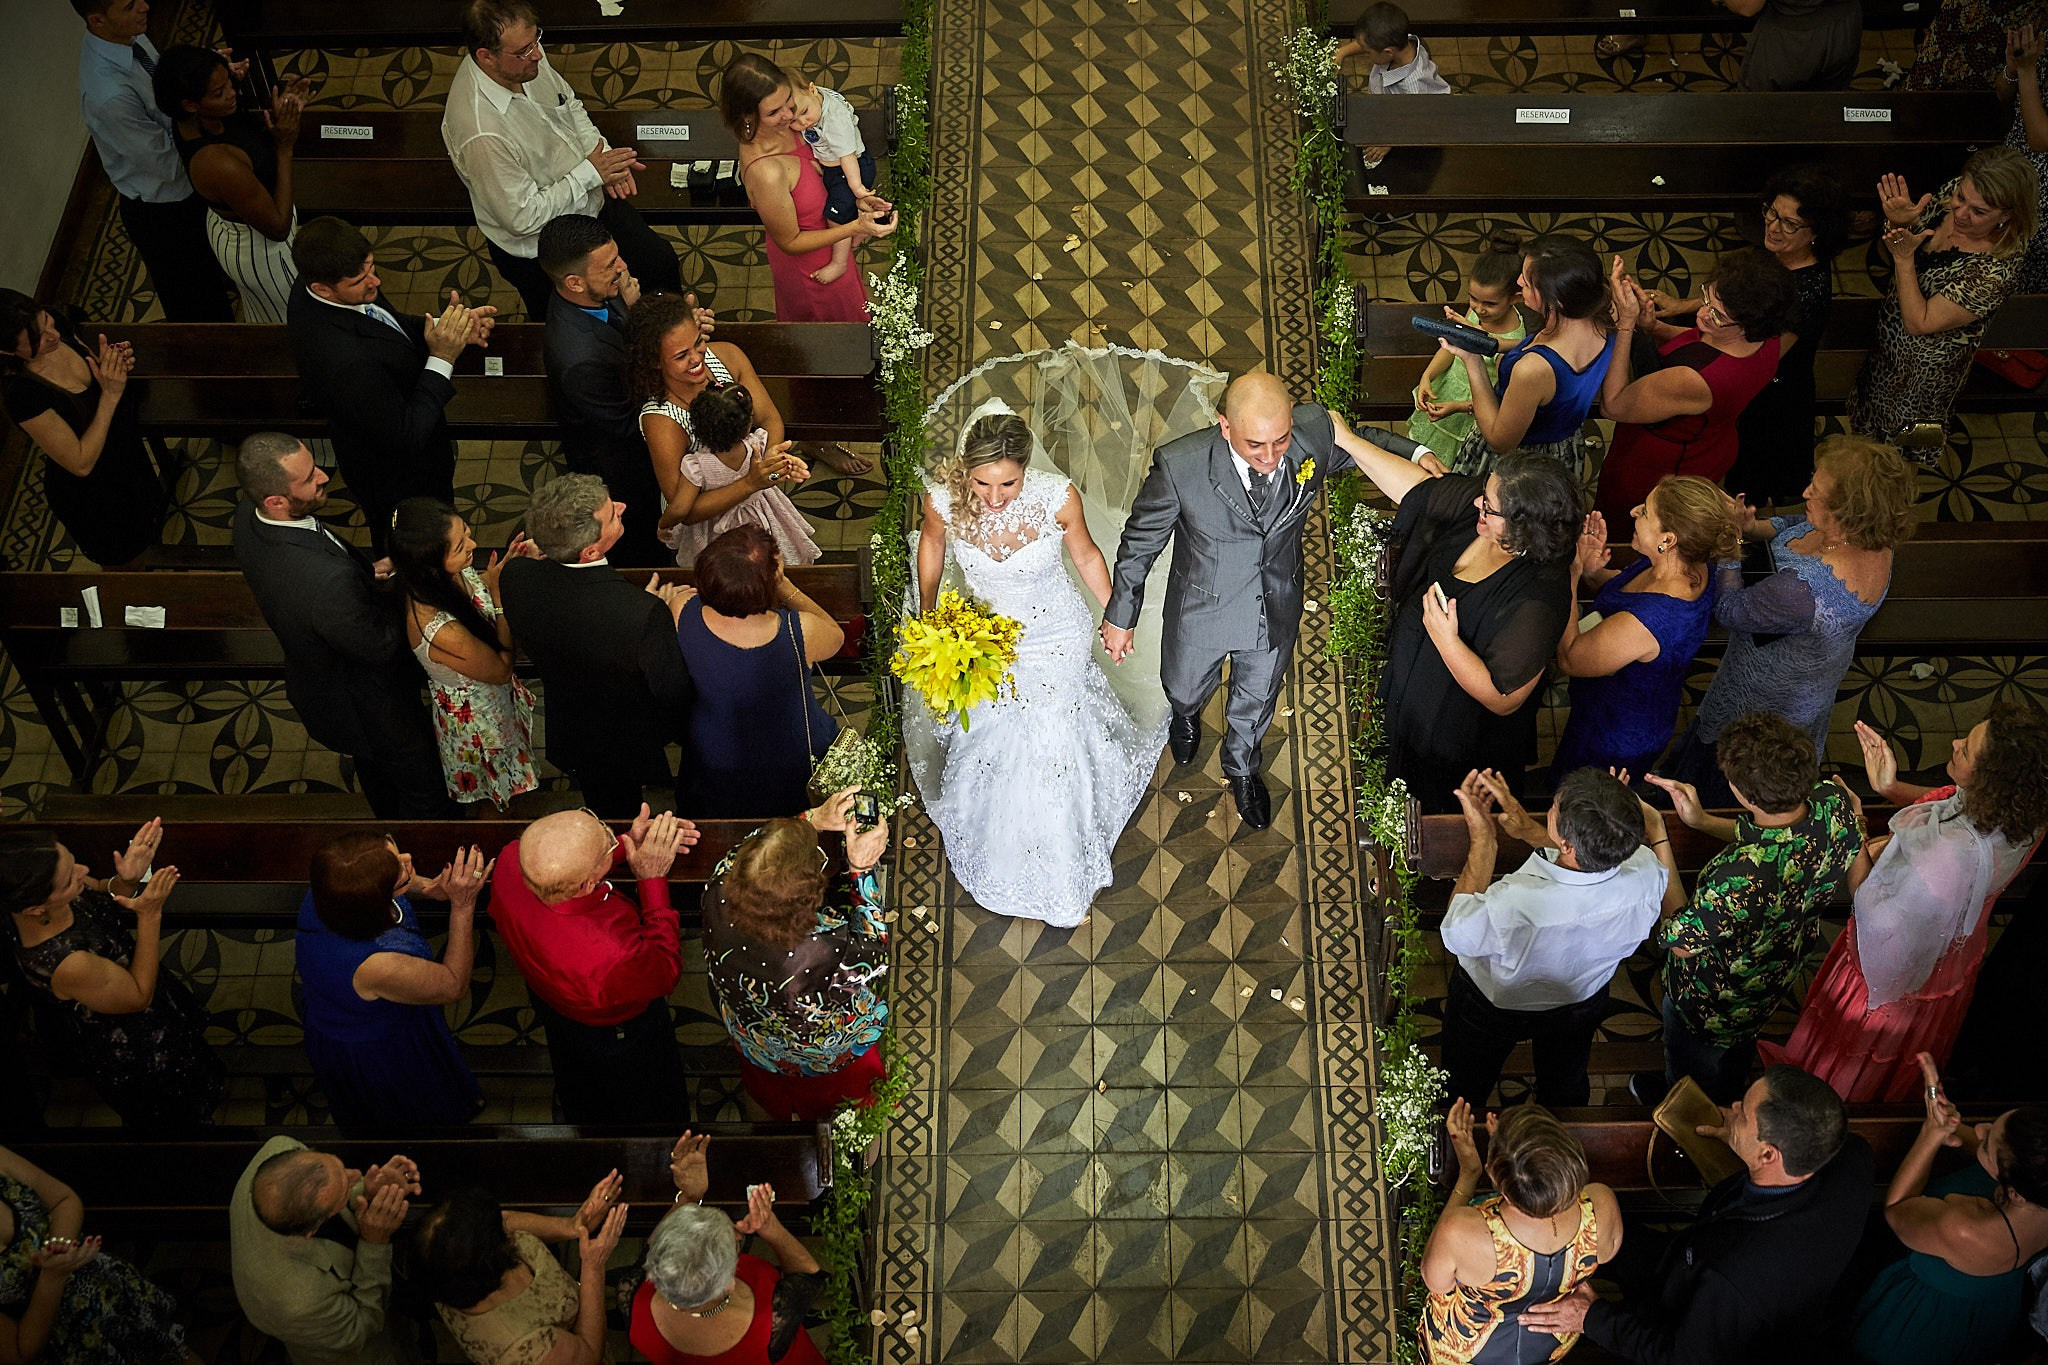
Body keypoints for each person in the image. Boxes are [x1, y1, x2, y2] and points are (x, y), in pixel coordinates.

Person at [905, 410, 1164, 916]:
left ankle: (1061, 857)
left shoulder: (1056, 497)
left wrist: (1117, 617)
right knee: (995, 730)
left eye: (1009, 482)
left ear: (1026, 469)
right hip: (986, 636)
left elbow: (1087, 556)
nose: (996, 496)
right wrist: (929, 608)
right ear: (966, 471)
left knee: (1050, 734)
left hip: (1056, 633)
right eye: (982, 483)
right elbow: (933, 545)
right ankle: (1002, 829)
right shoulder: (942, 503)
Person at [1102, 373, 1351, 829]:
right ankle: (1186, 715)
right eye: (1256, 445)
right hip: (1203, 607)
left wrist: (1418, 454)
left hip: (1275, 606)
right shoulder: (1181, 466)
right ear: (1224, 425)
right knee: (1183, 685)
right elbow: (1140, 543)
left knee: (1256, 702)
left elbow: (1360, 443)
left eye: (1281, 441)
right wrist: (1121, 615)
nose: (1272, 458)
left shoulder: (1312, 433)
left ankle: (1242, 768)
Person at [1763, 707, 2048, 1101]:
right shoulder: (2028, 811)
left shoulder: (1945, 857)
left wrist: (1853, 826)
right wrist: (1891, 788)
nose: (1954, 742)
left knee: (1851, 1053)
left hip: (1894, 973)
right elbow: (1956, 803)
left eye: (1966, 751)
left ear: (1992, 782)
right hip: (1947, 965)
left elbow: (1872, 910)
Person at [1521, 1065, 1875, 1361]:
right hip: (1689, 1257)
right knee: (1599, 1225)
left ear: (1768, 1155)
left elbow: (1683, 1357)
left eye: (1742, 1114)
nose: (1732, 1107)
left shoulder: (1738, 1276)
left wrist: (1591, 1318)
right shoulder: (1851, 1157)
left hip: (1687, 1313)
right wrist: (1740, 1139)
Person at [1662, 436, 1916, 808]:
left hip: (1770, 691)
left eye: (1819, 491)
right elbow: (1798, 524)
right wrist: (1757, 528)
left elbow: (1730, 610)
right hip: (1815, 675)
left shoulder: (1800, 592)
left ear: (1847, 513)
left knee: (1734, 772)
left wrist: (1732, 544)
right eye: (1814, 478)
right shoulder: (1870, 535)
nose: (1806, 490)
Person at [1338, 432, 1581, 812]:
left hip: (1455, 729)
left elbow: (1504, 698)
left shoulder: (1540, 600)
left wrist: (1447, 641)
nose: (1477, 503)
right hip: (1414, 682)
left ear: (1524, 525)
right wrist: (1347, 440)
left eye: (1490, 505)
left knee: (1429, 801)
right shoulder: (1487, 517)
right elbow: (1418, 490)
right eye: (1485, 494)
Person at [232, 432, 456, 818]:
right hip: (365, 702)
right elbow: (381, 644)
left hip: (321, 671)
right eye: (308, 478)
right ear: (276, 501)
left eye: (314, 465)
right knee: (423, 784)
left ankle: (388, 812)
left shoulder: (248, 517)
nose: (323, 476)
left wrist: (365, 574)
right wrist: (413, 589)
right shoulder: (326, 585)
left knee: (377, 770)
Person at [1641, 713, 1862, 1104]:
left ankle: (1688, 1103)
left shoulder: (1738, 877)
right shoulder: (1833, 801)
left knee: (1693, 1064)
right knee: (1739, 1049)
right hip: (1777, 972)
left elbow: (1680, 938)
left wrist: (1660, 837)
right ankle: (1729, 1087)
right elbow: (1779, 836)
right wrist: (1704, 822)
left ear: (1746, 796)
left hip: (1712, 998)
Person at [1438, 769, 1676, 1109]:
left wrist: (1484, 842)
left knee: (1465, 1080)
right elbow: (1585, 864)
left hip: (1496, 1007)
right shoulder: (1646, 870)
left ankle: (1460, 1116)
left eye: (1553, 808)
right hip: (1584, 997)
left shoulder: (1516, 902)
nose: (1550, 809)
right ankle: (1563, 1116)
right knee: (1565, 1079)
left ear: (1565, 843)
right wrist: (1531, 832)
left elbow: (1455, 929)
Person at [441, 0, 682, 319]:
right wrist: (591, 172)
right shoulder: (481, 132)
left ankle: (669, 341)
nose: (538, 55)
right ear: (486, 57)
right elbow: (522, 217)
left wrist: (602, 154)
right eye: (525, 51)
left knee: (658, 264)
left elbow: (567, 104)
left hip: (591, 199)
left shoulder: (524, 60)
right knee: (584, 322)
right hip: (546, 248)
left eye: (536, 40)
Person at [286, 215, 496, 555]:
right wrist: (443, 356)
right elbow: (407, 433)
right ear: (322, 288)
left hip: (401, 438)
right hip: (399, 478)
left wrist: (445, 326)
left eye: (372, 268)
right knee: (422, 550)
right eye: (361, 279)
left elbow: (383, 323)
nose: (375, 282)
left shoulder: (332, 281)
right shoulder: (343, 360)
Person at [496, 473, 696, 816]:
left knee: (610, 808)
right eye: (613, 515)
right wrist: (665, 613)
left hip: (574, 722)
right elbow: (673, 690)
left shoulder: (515, 577)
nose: (622, 507)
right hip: (625, 729)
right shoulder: (642, 614)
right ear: (590, 551)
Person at [1, 823, 222, 1129]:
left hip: (135, 992)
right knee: (176, 1112)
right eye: (69, 878)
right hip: (138, 1042)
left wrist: (126, 880)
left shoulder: (51, 885)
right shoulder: (67, 962)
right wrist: (150, 915)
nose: (82, 871)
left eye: (72, 859)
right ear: (36, 909)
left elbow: (104, 891)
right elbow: (138, 994)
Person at [487, 805, 696, 1124]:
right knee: (639, 1097)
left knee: (574, 1072)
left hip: (550, 1001)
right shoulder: (614, 956)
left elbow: (563, 868)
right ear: (587, 885)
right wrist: (651, 879)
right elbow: (664, 970)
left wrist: (628, 842)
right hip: (614, 1030)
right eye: (607, 844)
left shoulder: (510, 859)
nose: (611, 836)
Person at [538, 213, 717, 566]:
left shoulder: (597, 294)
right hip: (625, 466)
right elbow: (630, 423)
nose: (622, 267)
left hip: (635, 415)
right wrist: (677, 355)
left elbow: (632, 333)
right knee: (648, 546)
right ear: (574, 282)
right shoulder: (579, 362)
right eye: (609, 266)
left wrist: (673, 332)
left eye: (617, 255)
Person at [1848, 1055, 2048, 1365]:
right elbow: (2000, 1152)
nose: (1979, 1129)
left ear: (2014, 1192)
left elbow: (1897, 1209)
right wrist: (1947, 1121)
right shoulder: (2039, 1185)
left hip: (1925, 1319)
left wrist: (1931, 1133)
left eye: (1986, 1142)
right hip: (1995, 1306)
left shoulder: (1965, 1229)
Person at [703, 793, 890, 1120]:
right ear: (809, 896)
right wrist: (862, 869)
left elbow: (748, 852)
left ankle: (769, 1131)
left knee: (764, 1096)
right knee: (858, 1110)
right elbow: (874, 955)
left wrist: (814, 818)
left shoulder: (718, 887)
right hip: (828, 1055)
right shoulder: (828, 949)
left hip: (756, 1040)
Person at [1848, 150, 2037, 455]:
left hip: (1923, 383)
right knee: (1868, 439)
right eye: (1961, 198)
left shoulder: (1993, 271)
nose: (1961, 213)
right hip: (1886, 355)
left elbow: (1918, 322)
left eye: (1978, 211)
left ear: (2007, 215)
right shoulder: (1958, 191)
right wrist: (1900, 223)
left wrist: (1904, 258)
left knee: (1900, 460)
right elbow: (1905, 242)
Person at [295, 834, 487, 1127]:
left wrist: (427, 887)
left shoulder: (335, 887)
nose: (408, 859)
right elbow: (453, 984)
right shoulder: (376, 964)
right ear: (377, 900)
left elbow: (381, 878)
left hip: (364, 1013)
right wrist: (462, 906)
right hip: (380, 1049)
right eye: (399, 867)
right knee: (417, 1110)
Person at [1594, 250, 1794, 524]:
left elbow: (1614, 404)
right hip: (1711, 444)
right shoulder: (1768, 337)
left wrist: (1626, 324)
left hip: (1660, 469)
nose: (1702, 314)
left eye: (1717, 315)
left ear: (1748, 325)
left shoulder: (1695, 380)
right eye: (1707, 299)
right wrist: (1653, 326)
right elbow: (1701, 344)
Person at [1551, 476, 1729, 781]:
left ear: (1668, 539)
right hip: (1637, 703)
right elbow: (1625, 596)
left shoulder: (1650, 620)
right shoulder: (1688, 563)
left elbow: (1570, 658)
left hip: (1612, 735)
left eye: (1645, 512)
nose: (1634, 512)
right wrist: (1596, 574)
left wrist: (1572, 572)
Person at [1420, 1101, 1623, 1364]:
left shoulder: (1461, 1231)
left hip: (1467, 1350)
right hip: (1548, 1344)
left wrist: (1470, 1173)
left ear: (1492, 1173)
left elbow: (1435, 1282)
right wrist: (1518, 1155)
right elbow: (1605, 1253)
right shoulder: (1601, 1204)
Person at [72, 0, 234, 320]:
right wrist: (208, 109)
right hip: (165, 209)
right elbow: (166, 163)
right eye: (130, 5)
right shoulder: (109, 95)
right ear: (97, 20)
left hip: (188, 184)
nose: (145, 6)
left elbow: (165, 94)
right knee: (200, 310)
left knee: (221, 267)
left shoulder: (131, 36)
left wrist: (203, 78)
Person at [630, 292, 824, 558]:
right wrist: (750, 482)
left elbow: (769, 419)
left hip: (757, 498)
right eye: (681, 356)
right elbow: (686, 509)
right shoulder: (661, 419)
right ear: (654, 361)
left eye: (698, 342)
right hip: (709, 527)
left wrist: (771, 466)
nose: (697, 358)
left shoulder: (727, 357)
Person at [722, 52, 897, 325]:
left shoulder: (796, 120)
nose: (788, 116)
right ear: (747, 116)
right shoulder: (766, 172)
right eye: (773, 112)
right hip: (813, 272)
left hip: (834, 239)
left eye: (788, 103)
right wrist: (857, 228)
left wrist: (856, 200)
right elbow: (790, 243)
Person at [675, 526, 838, 819]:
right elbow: (836, 637)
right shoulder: (797, 630)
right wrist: (785, 586)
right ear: (768, 581)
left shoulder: (681, 609)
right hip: (790, 756)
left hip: (715, 754)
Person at [386, 498, 540, 809]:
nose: (473, 544)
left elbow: (474, 590)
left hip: (493, 704)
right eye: (460, 546)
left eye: (466, 532)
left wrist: (500, 573)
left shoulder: (443, 577)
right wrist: (500, 597)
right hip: (480, 726)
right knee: (494, 800)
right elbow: (500, 669)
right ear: (431, 564)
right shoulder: (440, 630)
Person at [1712, 166, 1850, 508]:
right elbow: (1744, 299)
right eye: (1772, 213)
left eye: (1790, 224)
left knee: (1748, 489)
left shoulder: (1807, 290)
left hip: (1773, 399)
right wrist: (1682, 305)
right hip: (1760, 384)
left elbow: (1760, 357)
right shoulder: (1779, 255)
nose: (1773, 227)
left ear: (1817, 232)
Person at [0, 290, 168, 567]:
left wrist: (113, 365)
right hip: (94, 494)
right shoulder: (23, 395)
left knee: (149, 510)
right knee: (127, 557)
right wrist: (110, 395)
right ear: (8, 351)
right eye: (37, 339)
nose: (52, 335)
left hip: (121, 452)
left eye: (46, 322)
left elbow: (93, 370)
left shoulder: (57, 325)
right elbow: (80, 463)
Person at [151, 45, 310, 323]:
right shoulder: (216, 163)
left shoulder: (200, 115)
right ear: (190, 104)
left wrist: (276, 115)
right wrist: (285, 146)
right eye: (219, 92)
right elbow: (278, 227)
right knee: (293, 318)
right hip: (262, 249)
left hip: (240, 216)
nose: (232, 93)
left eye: (229, 81)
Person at [1442, 234, 1616, 485]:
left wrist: (1473, 359)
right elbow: (1547, 349)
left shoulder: (1532, 370)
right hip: (1564, 444)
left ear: (1554, 300)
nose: (1518, 281)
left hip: (1524, 466)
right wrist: (1493, 342)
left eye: (1527, 282)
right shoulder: (1604, 313)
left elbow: (1500, 440)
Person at [229, 1137, 419, 1365]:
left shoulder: (279, 1146)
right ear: (312, 1230)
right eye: (345, 1188)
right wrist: (375, 1242)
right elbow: (362, 1327)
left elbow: (327, 1190)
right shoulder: (300, 1301)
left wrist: (366, 1193)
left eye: (339, 1166)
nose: (356, 1174)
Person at [0, 1144, 196, 1364]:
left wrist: (60, 1246)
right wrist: (52, 1277)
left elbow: (63, 1200)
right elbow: (19, 1352)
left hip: (112, 1295)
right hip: (72, 1348)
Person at [409, 1178, 628, 1365]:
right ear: (491, 1263)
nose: (505, 1229)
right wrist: (593, 1266)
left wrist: (572, 1226)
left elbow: (504, 1221)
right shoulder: (523, 1347)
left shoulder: (457, 1255)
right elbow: (589, 1353)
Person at [631, 1180, 826, 1365]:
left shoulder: (634, 1295)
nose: (738, 1233)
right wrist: (770, 1228)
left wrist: (689, 1196)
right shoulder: (769, 1321)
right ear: (728, 1285)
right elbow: (810, 1278)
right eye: (734, 1242)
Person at [1407, 235, 1528, 467]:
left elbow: (1499, 399)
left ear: (1516, 298)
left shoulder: (1513, 342)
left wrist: (1458, 407)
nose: (1479, 309)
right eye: (1473, 299)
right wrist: (1428, 376)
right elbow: (1451, 348)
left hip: (1471, 414)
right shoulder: (1475, 315)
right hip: (1447, 391)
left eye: (1490, 304)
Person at [789, 67, 876, 286]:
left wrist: (857, 187)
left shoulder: (834, 119)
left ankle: (839, 263)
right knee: (846, 206)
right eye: (794, 120)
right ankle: (861, 225)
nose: (803, 123)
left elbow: (847, 156)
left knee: (836, 216)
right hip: (834, 168)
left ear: (812, 89)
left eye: (804, 112)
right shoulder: (811, 99)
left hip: (850, 169)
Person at [1336, 1, 1451, 164]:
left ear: (1388, 52)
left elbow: (1420, 122)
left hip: (1414, 121)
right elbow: (1371, 42)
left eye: (1367, 52)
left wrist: (1390, 142)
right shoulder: (1403, 43)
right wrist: (1342, 53)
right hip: (1388, 107)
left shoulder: (1413, 89)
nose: (1366, 54)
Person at [2000, 24, 2048, 291]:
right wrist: (2012, 68)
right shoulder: (2044, 38)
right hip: (2011, 164)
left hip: (2039, 188)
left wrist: (2028, 70)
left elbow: (2041, 140)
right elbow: (2002, 93)